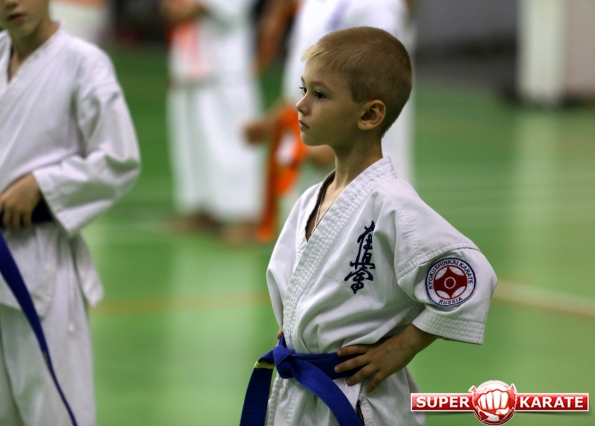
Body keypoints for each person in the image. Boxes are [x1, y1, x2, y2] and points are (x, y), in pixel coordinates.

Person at [240, 27, 496, 425]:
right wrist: (300, 326)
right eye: (304, 89)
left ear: (369, 114)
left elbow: (470, 278)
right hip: (299, 391)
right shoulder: (311, 198)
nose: (301, 105)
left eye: (319, 94)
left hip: (358, 399)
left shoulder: (392, 204)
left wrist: (405, 345)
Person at [0, 0, 140, 424]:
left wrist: (42, 185)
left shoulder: (84, 63)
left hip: (40, 266)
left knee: (51, 410)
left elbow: (119, 159)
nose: (11, 2)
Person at [247, 0, 416, 242]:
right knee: (310, 239)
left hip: (357, 153)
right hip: (314, 140)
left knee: (363, 242)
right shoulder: (313, 4)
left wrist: (332, 145)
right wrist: (272, 122)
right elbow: (303, 76)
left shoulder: (378, 5)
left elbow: (384, 77)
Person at [160, 0, 263, 243]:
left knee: (233, 141)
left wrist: (193, 9)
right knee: (192, 142)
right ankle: (204, 209)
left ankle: (247, 216)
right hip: (190, 64)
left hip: (225, 68)